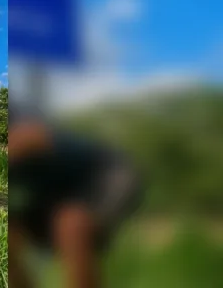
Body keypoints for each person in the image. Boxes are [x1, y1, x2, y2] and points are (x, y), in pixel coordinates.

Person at [8, 107, 143, 288]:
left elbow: (33, 137)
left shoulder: (16, 111)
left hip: (106, 173)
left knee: (72, 222)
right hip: (54, 189)